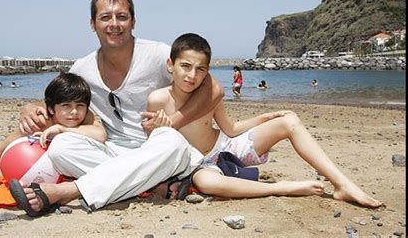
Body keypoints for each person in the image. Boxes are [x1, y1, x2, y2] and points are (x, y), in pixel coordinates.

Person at [9, 0, 224, 217]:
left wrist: (173, 121)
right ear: (92, 24)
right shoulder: (82, 69)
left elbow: (214, 89)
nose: (114, 24)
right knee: (61, 148)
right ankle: (153, 184)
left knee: (172, 142)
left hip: (159, 148)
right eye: (105, 17)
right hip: (114, 150)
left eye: (122, 16)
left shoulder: (158, 54)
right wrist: (31, 107)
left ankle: (67, 191)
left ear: (133, 22)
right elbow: (58, 100)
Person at [147, 33, 383, 208]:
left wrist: (266, 117)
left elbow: (230, 129)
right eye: (185, 66)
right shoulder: (157, 99)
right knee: (208, 184)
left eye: (200, 69)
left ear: (207, 71)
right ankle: (282, 188)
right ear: (171, 65)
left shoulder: (208, 95)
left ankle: (343, 184)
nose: (192, 75)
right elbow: (156, 148)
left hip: (227, 147)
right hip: (198, 164)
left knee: (289, 120)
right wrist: (158, 129)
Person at [0, 72, 106, 193]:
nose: (74, 112)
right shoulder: (41, 122)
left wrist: (62, 130)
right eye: (66, 105)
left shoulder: (85, 116)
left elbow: (101, 135)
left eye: (80, 105)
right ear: (51, 108)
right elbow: (3, 147)